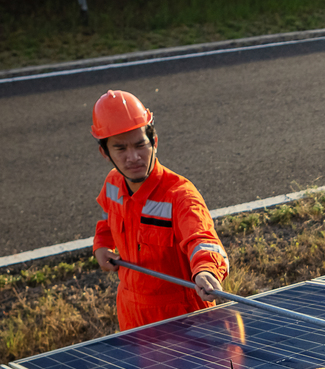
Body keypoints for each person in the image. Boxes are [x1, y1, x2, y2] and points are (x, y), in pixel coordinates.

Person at [90, 89, 231, 330]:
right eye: (120, 149)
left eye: (140, 145)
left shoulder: (180, 195)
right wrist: (102, 245)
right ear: (105, 153)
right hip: (131, 313)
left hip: (184, 319)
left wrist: (206, 270)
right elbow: (107, 220)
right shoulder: (112, 184)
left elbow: (202, 239)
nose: (133, 157)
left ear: (154, 141)